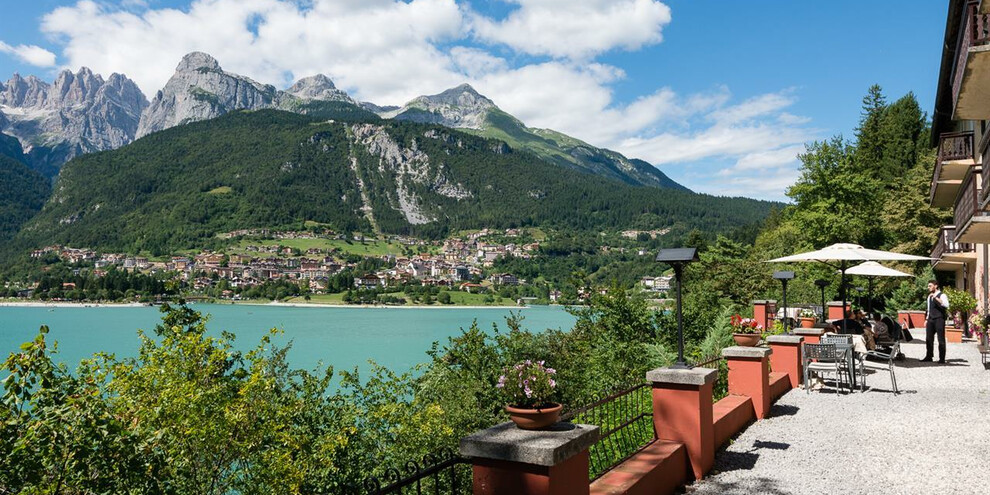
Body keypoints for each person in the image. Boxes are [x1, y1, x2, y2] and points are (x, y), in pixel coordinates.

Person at [923, 279, 949, 363]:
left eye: (930, 286)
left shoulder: (942, 295)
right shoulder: (929, 296)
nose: (928, 287)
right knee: (928, 339)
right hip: (930, 319)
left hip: (939, 319)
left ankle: (942, 359)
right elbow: (929, 309)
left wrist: (936, 298)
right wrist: (927, 319)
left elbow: (946, 305)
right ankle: (929, 356)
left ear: (936, 286)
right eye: (928, 286)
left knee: (940, 339)